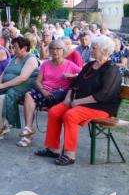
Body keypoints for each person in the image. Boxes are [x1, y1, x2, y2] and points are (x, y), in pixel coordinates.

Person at [35, 35, 122, 166]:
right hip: (79, 102)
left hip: (101, 107)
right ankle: (53, 149)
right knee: (54, 112)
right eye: (92, 47)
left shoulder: (112, 69)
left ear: (104, 51)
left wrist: (79, 102)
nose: (91, 50)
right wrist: (68, 97)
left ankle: (70, 154)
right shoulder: (90, 65)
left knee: (71, 115)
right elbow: (75, 83)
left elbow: (104, 94)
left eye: (94, 48)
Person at [17, 39, 81, 147]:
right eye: (52, 49)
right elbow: (38, 81)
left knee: (34, 98)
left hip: (57, 95)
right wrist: (43, 91)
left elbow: (83, 73)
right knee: (29, 95)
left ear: (63, 50)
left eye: (58, 49)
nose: (55, 51)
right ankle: (28, 129)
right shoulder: (45, 64)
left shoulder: (70, 65)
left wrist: (73, 76)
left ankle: (28, 134)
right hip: (44, 91)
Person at [0, 37, 40, 140]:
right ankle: (3, 124)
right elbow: (4, 73)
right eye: (12, 47)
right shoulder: (14, 58)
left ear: (24, 48)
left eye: (15, 47)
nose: (12, 50)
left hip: (22, 88)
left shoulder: (31, 59)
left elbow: (22, 78)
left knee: (2, 98)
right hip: (8, 86)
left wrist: (2, 86)